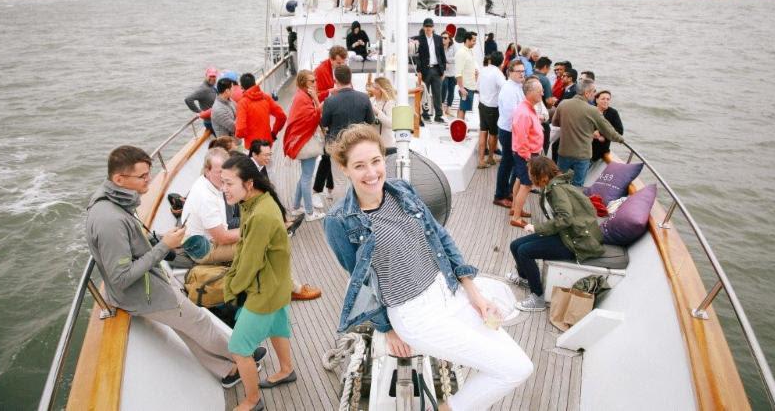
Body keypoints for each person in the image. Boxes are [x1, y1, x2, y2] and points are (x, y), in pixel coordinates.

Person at [324, 124, 532, 411]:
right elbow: (360, 280)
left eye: (375, 161)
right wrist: (386, 329)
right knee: (511, 370)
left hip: (448, 291)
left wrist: (475, 295)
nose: (371, 173)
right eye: (359, 166)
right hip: (414, 315)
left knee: (520, 366)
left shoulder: (401, 190)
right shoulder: (340, 221)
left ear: (384, 159)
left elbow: (440, 237)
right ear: (345, 169)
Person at [86, 146, 264, 389]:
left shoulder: (113, 202)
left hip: (145, 285)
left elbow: (133, 244)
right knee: (199, 321)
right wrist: (163, 247)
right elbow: (120, 278)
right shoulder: (110, 221)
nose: (149, 179)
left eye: (149, 173)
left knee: (187, 328)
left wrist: (160, 237)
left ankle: (226, 371)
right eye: (143, 176)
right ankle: (243, 356)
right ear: (119, 179)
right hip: (144, 293)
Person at [221, 155, 296, 411]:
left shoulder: (260, 214)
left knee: (240, 348)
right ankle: (287, 370)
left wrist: (228, 288)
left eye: (229, 183)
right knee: (277, 327)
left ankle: (253, 401)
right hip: (277, 283)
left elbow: (249, 263)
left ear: (249, 183)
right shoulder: (255, 202)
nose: (224, 189)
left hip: (265, 291)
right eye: (222, 183)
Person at [509, 156, 605, 311]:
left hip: (574, 241)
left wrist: (537, 228)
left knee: (524, 251)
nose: (529, 176)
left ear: (541, 175)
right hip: (565, 233)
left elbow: (565, 218)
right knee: (515, 245)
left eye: (531, 173)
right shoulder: (552, 185)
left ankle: (538, 298)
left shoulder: (556, 191)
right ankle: (526, 278)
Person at [249, 139, 321, 301]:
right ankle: (293, 289)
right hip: (251, 218)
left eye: (270, 154)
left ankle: (284, 224)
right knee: (275, 249)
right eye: (265, 155)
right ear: (254, 154)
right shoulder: (250, 172)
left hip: (257, 212)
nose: (269, 158)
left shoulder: (259, 168)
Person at [552, 78, 624, 186]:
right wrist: (621, 139)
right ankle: (573, 202)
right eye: (593, 91)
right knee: (577, 184)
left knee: (558, 181)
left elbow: (555, 122)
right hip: (582, 155)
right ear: (587, 93)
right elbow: (609, 131)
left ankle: (555, 198)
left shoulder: (563, 104)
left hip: (564, 151)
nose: (594, 94)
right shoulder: (592, 110)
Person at [321, 64, 374, 202]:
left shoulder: (330, 101)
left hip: (337, 146)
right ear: (350, 78)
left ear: (335, 80)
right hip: (358, 145)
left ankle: (340, 214)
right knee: (357, 179)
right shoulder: (364, 98)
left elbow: (325, 123)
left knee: (339, 182)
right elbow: (370, 120)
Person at [181, 147, 240, 263]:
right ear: (207, 171)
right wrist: (253, 228)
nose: (224, 176)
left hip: (211, 238)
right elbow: (223, 238)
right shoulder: (205, 197)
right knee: (255, 244)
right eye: (220, 172)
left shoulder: (208, 181)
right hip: (203, 249)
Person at [283, 70, 326, 222]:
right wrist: (316, 98)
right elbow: (316, 116)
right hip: (305, 143)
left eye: (315, 80)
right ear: (303, 83)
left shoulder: (301, 96)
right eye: (311, 81)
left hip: (302, 140)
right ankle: (309, 212)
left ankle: (295, 207)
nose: (315, 83)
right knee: (307, 177)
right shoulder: (303, 98)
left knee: (304, 176)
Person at [312, 47, 349, 205]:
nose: (341, 65)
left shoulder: (340, 70)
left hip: (336, 114)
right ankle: (317, 190)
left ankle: (330, 187)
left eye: (343, 62)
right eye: (339, 62)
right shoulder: (320, 71)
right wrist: (330, 91)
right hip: (324, 115)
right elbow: (315, 94)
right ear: (331, 59)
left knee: (330, 156)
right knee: (327, 156)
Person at [509, 78, 544, 228]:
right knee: (526, 185)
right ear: (530, 93)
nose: (542, 93)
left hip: (524, 154)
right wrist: (529, 159)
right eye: (539, 90)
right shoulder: (524, 112)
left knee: (518, 179)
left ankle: (514, 208)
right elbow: (522, 138)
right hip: (527, 155)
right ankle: (516, 218)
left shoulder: (527, 108)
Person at [493, 60, 526, 208]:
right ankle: (499, 195)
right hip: (509, 131)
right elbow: (512, 114)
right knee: (507, 163)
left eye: (523, 71)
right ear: (510, 72)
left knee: (512, 163)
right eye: (518, 71)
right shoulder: (508, 89)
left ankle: (508, 191)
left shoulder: (518, 86)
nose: (522, 74)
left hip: (514, 131)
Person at [235, 73, 287, 148]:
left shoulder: (242, 103)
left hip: (252, 146)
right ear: (255, 83)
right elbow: (282, 116)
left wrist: (248, 134)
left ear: (242, 87)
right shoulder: (266, 97)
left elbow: (240, 130)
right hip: (267, 142)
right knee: (268, 159)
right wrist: (273, 133)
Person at [477, 51, 505, 169]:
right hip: (493, 107)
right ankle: (490, 157)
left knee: (483, 132)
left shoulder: (483, 70)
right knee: (493, 134)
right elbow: (505, 88)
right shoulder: (498, 73)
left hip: (482, 104)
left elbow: (477, 86)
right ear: (501, 62)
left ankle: (481, 160)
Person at [415, 17, 447, 123]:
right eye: (427, 26)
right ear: (424, 27)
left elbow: (442, 55)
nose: (428, 28)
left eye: (430, 26)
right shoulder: (419, 39)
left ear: (433, 27)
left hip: (437, 69)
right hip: (425, 70)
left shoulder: (438, 38)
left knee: (437, 93)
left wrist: (443, 70)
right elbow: (417, 57)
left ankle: (438, 115)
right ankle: (425, 114)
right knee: (425, 93)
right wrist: (419, 70)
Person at [591, 90, 624, 161]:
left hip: (601, 148)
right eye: (603, 99)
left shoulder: (613, 113)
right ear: (596, 100)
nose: (605, 101)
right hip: (585, 144)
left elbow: (620, 131)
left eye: (608, 99)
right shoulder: (590, 110)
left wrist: (600, 134)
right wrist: (592, 132)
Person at [367, 76, 397, 153]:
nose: (372, 88)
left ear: (381, 89)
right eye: (373, 86)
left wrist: (377, 111)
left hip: (387, 145)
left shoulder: (390, 103)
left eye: (375, 87)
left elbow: (391, 124)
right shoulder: (370, 100)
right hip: (372, 143)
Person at [455, 31, 480, 120]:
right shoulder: (461, 53)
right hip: (465, 86)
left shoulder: (469, 51)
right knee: (463, 108)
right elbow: (458, 72)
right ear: (467, 40)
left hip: (470, 85)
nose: (475, 43)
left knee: (463, 108)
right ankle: (460, 126)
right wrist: (461, 88)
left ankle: (460, 124)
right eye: (473, 40)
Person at [185, 67, 218, 132]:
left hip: (215, 119)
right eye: (210, 76)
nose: (212, 78)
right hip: (210, 122)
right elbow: (188, 99)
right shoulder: (203, 89)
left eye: (214, 76)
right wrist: (199, 111)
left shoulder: (212, 86)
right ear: (206, 76)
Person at [440, 30, 457, 117]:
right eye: (442, 38)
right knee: (444, 89)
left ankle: (448, 108)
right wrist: (445, 62)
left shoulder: (453, 47)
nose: (443, 39)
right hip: (444, 73)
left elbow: (456, 58)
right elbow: (438, 59)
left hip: (452, 73)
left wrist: (446, 60)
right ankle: (442, 108)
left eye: (445, 38)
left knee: (452, 91)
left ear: (449, 39)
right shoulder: (439, 47)